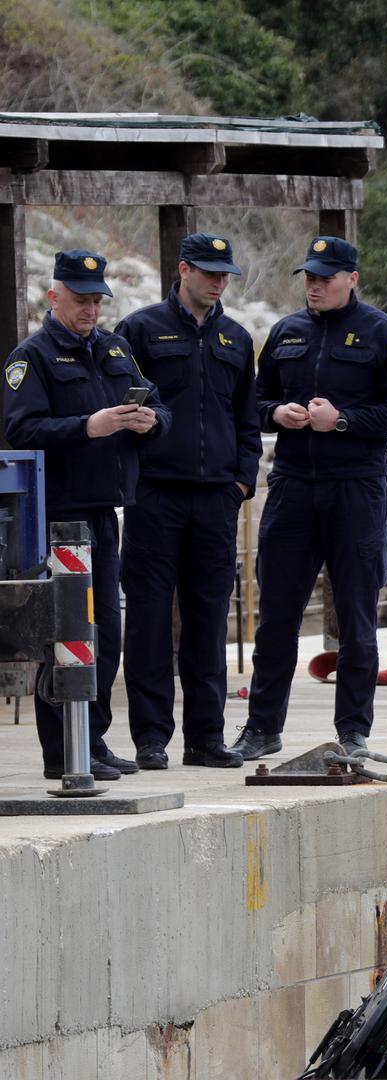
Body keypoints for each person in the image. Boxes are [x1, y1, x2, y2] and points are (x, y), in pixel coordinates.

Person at [230, 236, 387, 760]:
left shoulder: (384, 334)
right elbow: (257, 399)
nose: (314, 285)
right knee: (278, 614)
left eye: (325, 277)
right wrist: (276, 414)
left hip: (356, 488)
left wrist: (343, 421)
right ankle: (262, 727)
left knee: (356, 616)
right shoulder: (286, 333)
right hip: (292, 485)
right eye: (309, 277)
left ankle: (353, 731)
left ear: (352, 278)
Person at [2, 250, 170, 779]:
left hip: (103, 512)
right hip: (58, 517)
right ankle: (63, 752)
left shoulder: (116, 348)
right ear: (54, 298)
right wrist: (86, 426)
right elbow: (21, 430)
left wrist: (150, 422)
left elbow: (162, 408)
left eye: (97, 299)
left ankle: (92, 739)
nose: (90, 309)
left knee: (105, 635)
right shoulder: (31, 357)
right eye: (80, 299)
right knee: (65, 633)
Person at [116, 233, 261, 770]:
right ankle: (151, 738)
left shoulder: (237, 339)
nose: (218, 280)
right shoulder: (140, 330)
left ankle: (206, 738)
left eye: (225, 273)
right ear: (183, 270)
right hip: (155, 496)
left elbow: (249, 419)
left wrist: (241, 483)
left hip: (215, 501)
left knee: (206, 622)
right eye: (208, 271)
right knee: (150, 622)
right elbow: (121, 410)